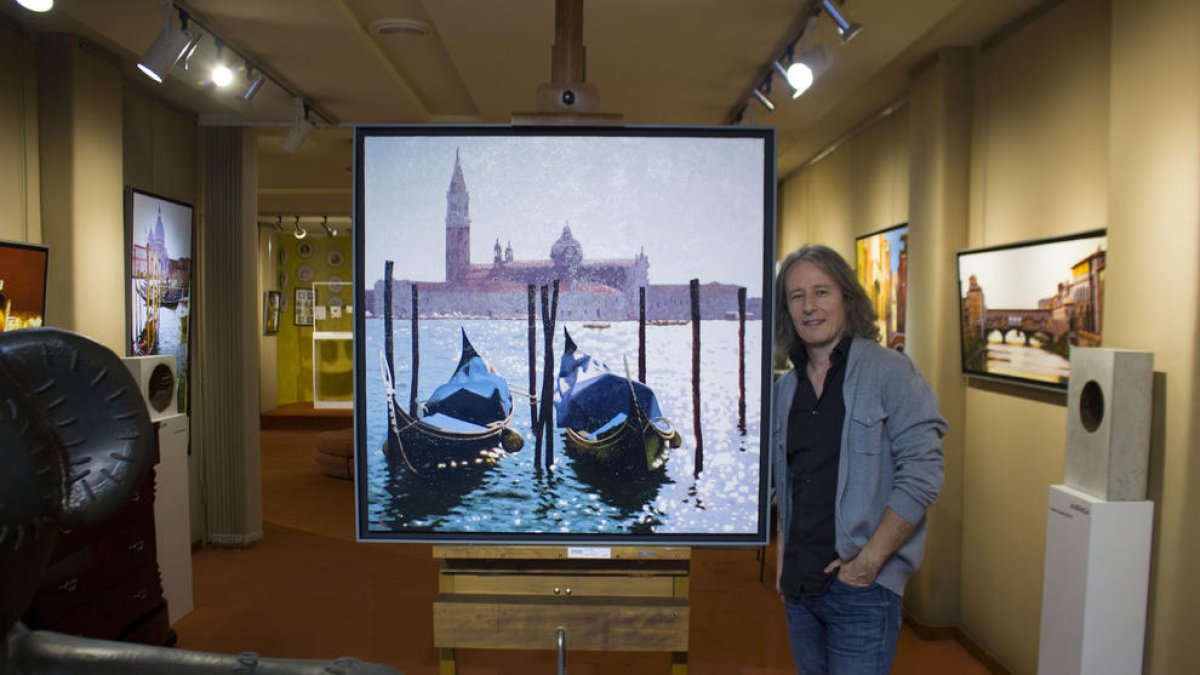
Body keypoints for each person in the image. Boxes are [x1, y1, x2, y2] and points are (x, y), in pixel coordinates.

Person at [771, 245, 946, 674]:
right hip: (800, 587)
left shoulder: (891, 373)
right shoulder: (783, 391)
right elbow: (788, 484)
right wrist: (781, 563)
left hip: (861, 591)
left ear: (847, 299)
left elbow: (924, 472)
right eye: (797, 296)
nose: (809, 307)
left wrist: (868, 563)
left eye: (821, 292)